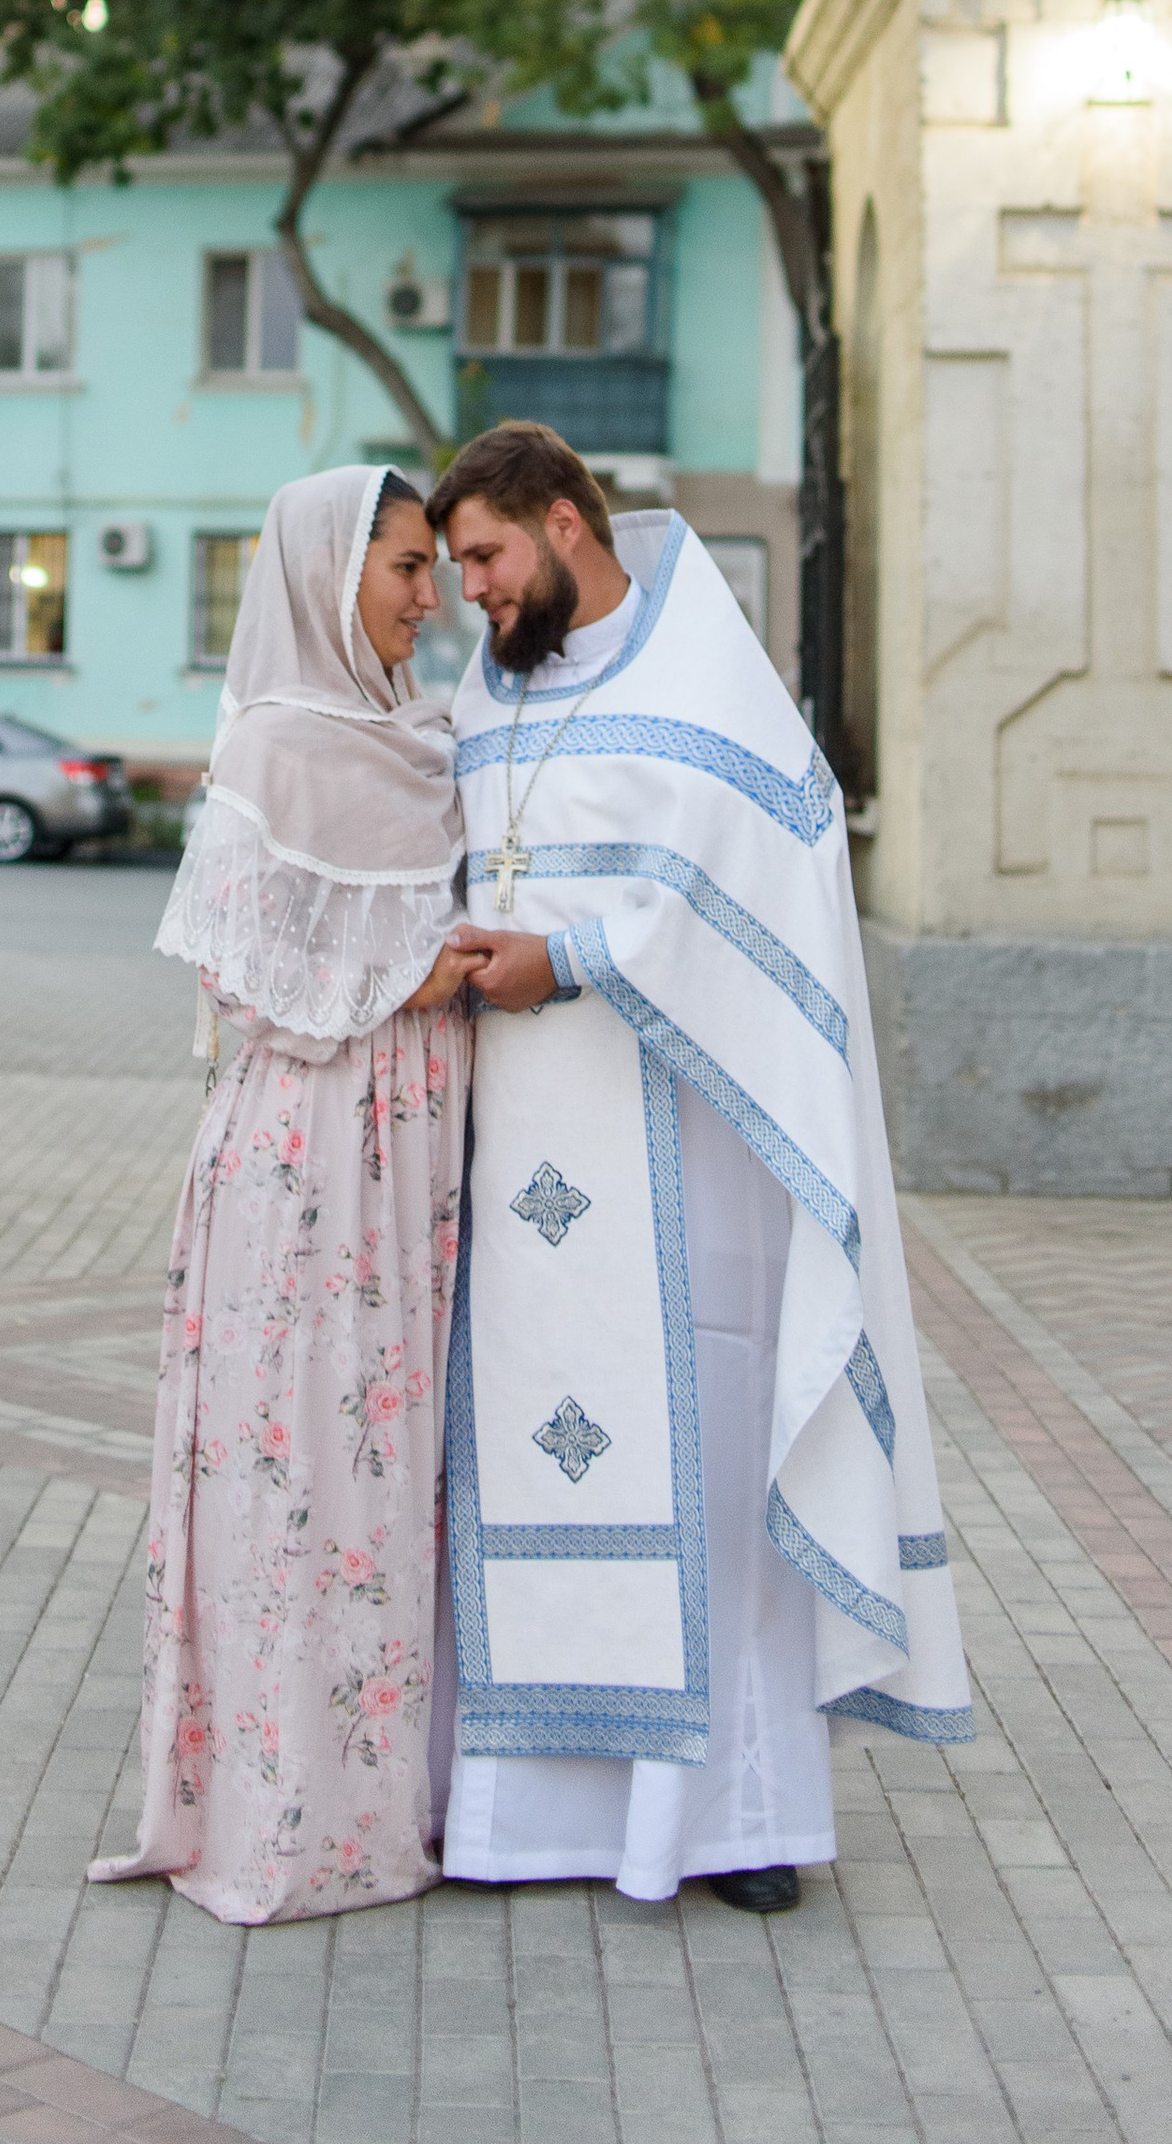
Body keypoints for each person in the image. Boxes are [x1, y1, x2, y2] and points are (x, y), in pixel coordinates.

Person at [429, 421, 970, 1910]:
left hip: (696, 1154)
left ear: (563, 520)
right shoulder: (495, 693)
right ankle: (523, 1822)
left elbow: (768, 894)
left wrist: (575, 957)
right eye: (458, 565)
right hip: (525, 1148)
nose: (469, 590)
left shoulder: (711, 683)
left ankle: (736, 1818)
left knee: (717, 1459)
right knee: (527, 1450)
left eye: (484, 555)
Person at [90, 465, 474, 1925]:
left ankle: (398, 1789)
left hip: (412, 1169)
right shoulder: (274, 751)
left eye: (438, 565)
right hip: (312, 1161)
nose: (427, 595)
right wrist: (422, 976)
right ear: (329, 576)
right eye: (404, 566)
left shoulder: (422, 738)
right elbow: (248, 985)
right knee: (305, 1470)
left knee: (390, 1474)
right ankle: (293, 1815)